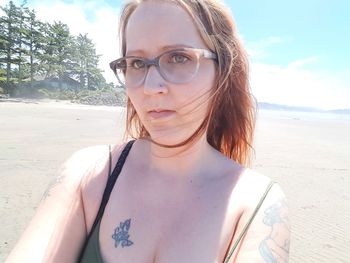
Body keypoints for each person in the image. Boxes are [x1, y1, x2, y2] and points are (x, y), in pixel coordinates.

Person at [6, 0, 290, 262]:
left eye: (179, 58)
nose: (151, 87)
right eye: (137, 64)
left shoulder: (256, 207)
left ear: (222, 69)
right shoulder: (88, 175)